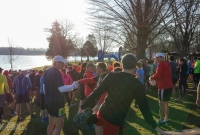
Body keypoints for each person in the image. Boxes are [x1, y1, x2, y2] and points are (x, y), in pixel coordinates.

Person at [75, 53, 169, 135]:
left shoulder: (111, 75)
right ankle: (93, 117)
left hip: (102, 111)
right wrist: (158, 129)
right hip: (114, 120)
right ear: (135, 66)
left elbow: (96, 92)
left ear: (122, 64)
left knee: (99, 120)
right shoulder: (137, 84)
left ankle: (93, 117)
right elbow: (145, 109)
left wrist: (82, 107)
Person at [44, 55, 78, 135]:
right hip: (57, 103)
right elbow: (61, 89)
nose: (63, 65)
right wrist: (73, 86)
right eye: (61, 63)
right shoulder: (57, 72)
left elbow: (45, 87)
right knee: (59, 125)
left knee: (51, 123)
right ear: (56, 63)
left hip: (48, 101)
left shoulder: (47, 71)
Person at [77, 62, 107, 135]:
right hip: (101, 100)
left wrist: (99, 103)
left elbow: (104, 93)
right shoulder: (99, 76)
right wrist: (78, 82)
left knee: (99, 119)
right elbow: (89, 80)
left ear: (100, 69)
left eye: (96, 67)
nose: (95, 68)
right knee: (98, 117)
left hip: (105, 101)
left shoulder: (105, 77)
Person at [149, 53, 173, 125]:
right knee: (166, 103)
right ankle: (166, 119)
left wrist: (151, 77)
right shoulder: (167, 64)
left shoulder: (161, 64)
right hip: (168, 86)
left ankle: (161, 120)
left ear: (160, 57)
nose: (156, 59)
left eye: (156, 58)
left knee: (161, 103)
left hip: (163, 86)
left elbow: (158, 75)